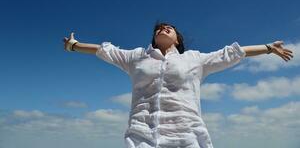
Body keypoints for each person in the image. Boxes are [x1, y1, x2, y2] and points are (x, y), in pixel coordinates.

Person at [63, 22, 293, 148]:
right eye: (158, 28)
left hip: (187, 136)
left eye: (168, 28)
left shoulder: (194, 59)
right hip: (142, 136)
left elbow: (231, 54)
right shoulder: (136, 57)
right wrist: (74, 45)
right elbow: (105, 51)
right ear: (153, 38)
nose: (162, 29)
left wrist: (268, 48)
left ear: (177, 39)